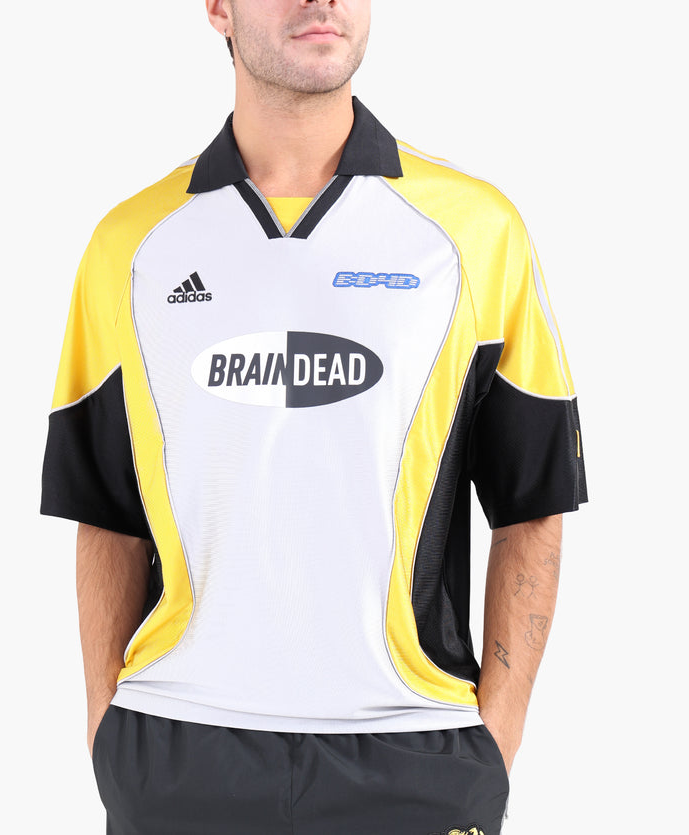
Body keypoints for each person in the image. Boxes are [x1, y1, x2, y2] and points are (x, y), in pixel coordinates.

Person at [41, 1, 587, 833]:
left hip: (415, 752)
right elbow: (104, 512)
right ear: (218, 8)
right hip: (176, 749)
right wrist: (104, 726)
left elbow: (533, 503)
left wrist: (495, 738)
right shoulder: (132, 244)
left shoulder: (477, 233)